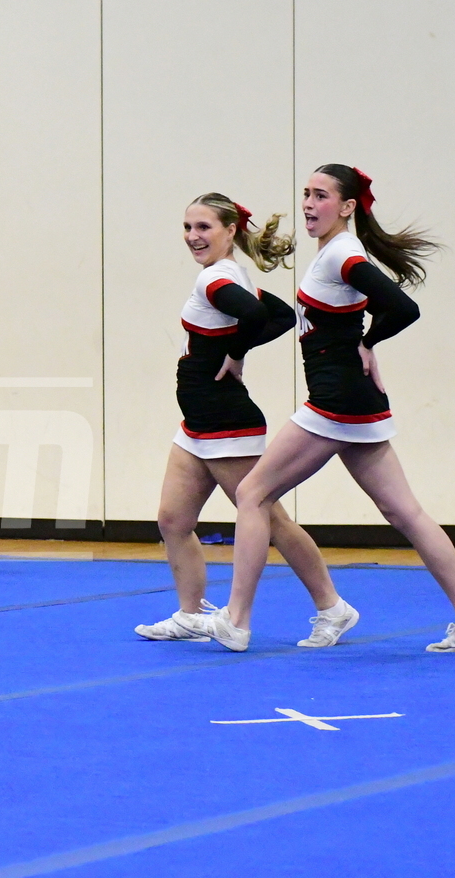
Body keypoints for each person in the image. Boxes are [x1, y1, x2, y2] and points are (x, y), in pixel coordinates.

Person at [207, 165, 455, 653]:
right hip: (355, 399)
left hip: (336, 401)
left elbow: (402, 307)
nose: (308, 203)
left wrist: (369, 341)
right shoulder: (337, 251)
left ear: (346, 207)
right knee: (404, 511)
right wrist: (364, 342)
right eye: (306, 193)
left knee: (253, 493)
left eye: (321, 195)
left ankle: (236, 620)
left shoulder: (342, 252)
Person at [136, 194, 357, 647]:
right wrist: (236, 348)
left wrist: (235, 352)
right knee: (173, 519)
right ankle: (192, 615)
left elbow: (259, 315)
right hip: (198, 422)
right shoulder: (228, 274)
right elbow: (280, 315)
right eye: (187, 227)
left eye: (204, 227)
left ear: (230, 230)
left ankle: (332, 607)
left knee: (270, 519)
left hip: (225, 422)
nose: (193, 236)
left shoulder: (216, 279)